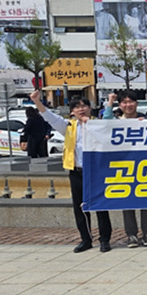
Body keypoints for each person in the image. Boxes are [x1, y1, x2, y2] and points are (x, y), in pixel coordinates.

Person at [31, 90, 112, 253]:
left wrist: (109, 102)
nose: (81, 109)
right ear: (72, 112)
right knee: (80, 207)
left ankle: (105, 240)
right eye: (77, 107)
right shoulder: (68, 126)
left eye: (84, 106)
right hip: (76, 171)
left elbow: (112, 123)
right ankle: (86, 239)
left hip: (95, 171)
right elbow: (50, 117)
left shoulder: (99, 124)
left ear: (90, 108)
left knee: (100, 206)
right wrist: (37, 102)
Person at [102, 91, 147, 248]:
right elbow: (105, 122)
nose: (128, 105)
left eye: (131, 101)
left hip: (144, 165)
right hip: (123, 165)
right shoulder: (116, 121)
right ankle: (131, 235)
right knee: (127, 200)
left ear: (136, 103)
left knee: (146, 198)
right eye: (124, 102)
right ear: (120, 105)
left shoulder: (146, 120)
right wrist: (110, 102)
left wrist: (145, 123)